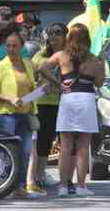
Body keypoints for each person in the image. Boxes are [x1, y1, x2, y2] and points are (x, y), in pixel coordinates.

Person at [41, 23, 105, 198]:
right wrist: (103, 63)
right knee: (84, 146)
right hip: (86, 99)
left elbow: (42, 68)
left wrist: (58, 84)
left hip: (68, 98)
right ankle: (81, 186)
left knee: (66, 146)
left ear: (70, 38)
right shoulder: (93, 59)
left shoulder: (61, 55)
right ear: (87, 39)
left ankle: (62, 186)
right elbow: (99, 83)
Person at [0, 26, 41, 198]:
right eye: (8, 45)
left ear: (22, 47)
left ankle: (19, 187)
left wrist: (39, 90)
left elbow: (32, 86)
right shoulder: (0, 66)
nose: (11, 49)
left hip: (26, 113)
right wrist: (9, 98)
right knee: (7, 153)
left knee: (24, 152)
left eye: (14, 46)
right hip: (6, 115)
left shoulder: (28, 64)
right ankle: (5, 187)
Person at [30, 23, 68, 190]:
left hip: (64, 103)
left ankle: (44, 173)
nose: (53, 37)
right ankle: (37, 175)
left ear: (66, 36)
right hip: (42, 102)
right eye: (51, 33)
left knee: (54, 139)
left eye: (58, 33)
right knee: (41, 139)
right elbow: (32, 77)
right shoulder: (40, 55)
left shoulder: (70, 55)